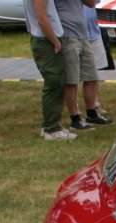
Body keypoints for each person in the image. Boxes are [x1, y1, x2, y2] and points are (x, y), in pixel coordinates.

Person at [23, 0, 75, 140]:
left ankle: (50, 125)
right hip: (45, 40)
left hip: (44, 38)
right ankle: (51, 129)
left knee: (57, 82)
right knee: (54, 83)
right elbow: (42, 19)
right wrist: (56, 42)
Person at [58, 0, 102, 130]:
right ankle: (75, 118)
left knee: (91, 76)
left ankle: (92, 113)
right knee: (72, 80)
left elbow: (91, 3)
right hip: (67, 35)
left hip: (83, 34)